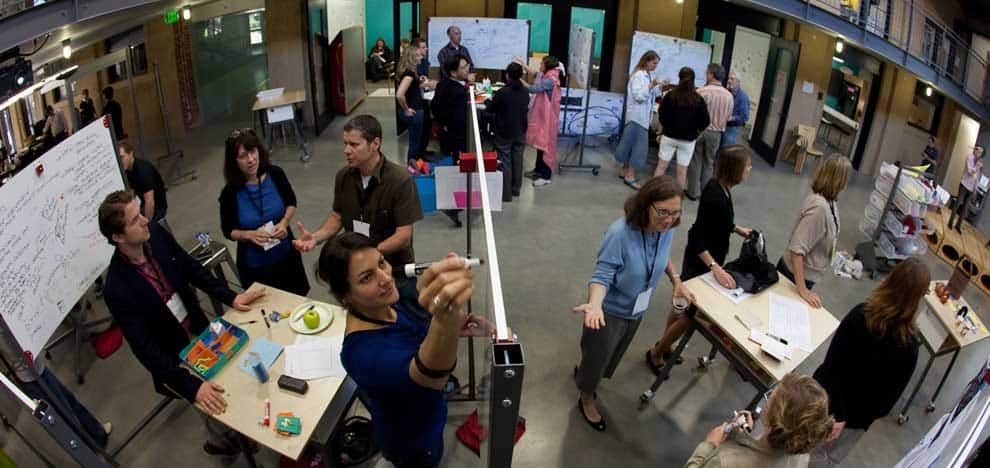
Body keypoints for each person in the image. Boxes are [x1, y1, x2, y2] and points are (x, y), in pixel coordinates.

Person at [99, 190, 265, 456]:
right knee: (210, 399)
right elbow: (145, 350)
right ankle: (222, 440)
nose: (144, 220)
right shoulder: (118, 289)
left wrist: (232, 297)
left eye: (140, 212)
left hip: (198, 327)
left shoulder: (157, 235)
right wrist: (191, 386)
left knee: (230, 374)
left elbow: (192, 268)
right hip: (174, 351)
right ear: (117, 237)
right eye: (134, 220)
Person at [317, 233, 492, 467]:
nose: (385, 278)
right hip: (413, 442)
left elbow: (418, 337)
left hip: (430, 414)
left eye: (381, 263)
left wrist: (455, 327)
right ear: (345, 296)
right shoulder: (360, 354)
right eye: (367, 277)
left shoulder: (385, 303)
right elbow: (429, 376)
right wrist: (446, 321)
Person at [572, 176, 695, 432]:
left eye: (675, 213)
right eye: (662, 212)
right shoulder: (620, 234)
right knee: (598, 357)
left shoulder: (666, 229)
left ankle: (587, 373)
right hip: (609, 312)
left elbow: (662, 256)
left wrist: (676, 281)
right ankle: (586, 396)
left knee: (609, 355)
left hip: (637, 308)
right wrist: (595, 305)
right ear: (645, 205)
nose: (669, 219)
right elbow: (602, 275)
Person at [292, 115, 425, 303]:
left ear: (375, 143)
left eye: (354, 145)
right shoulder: (343, 177)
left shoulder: (400, 180)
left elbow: (403, 236)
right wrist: (316, 237)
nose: (346, 150)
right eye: (345, 144)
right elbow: (338, 216)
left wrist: (370, 257)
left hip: (394, 272)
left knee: (404, 319)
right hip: (358, 275)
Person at [810, 258, 928, 467]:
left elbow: (833, 364)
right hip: (852, 423)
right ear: (918, 298)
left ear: (890, 280)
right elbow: (885, 403)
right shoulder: (909, 347)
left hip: (821, 400)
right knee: (824, 460)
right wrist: (847, 419)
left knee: (794, 447)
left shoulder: (860, 315)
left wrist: (837, 411)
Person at [648, 146, 753, 372]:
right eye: (747, 166)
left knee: (682, 306)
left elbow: (716, 222)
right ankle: (657, 351)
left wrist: (735, 228)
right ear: (735, 169)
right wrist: (714, 267)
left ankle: (665, 346)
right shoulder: (715, 194)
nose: (750, 170)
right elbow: (697, 236)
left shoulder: (722, 188)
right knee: (689, 315)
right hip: (701, 262)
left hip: (706, 260)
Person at [219, 128, 309, 296]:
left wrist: (284, 222)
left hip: (287, 258)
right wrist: (248, 235)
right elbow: (227, 230)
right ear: (234, 161)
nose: (251, 159)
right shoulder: (229, 193)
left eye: (252, 152)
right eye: (243, 156)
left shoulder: (275, 174)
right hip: (256, 268)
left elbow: (291, 201)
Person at [686, 373, 834, 467]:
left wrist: (709, 445)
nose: (767, 399)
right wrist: (742, 437)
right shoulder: (800, 459)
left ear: (771, 420)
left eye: (770, 397)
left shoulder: (724, 462)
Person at [0, 327, 111, 449]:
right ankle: (89, 448)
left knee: (70, 401)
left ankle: (98, 432)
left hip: (38, 367)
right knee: (66, 416)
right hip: (30, 377)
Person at [778, 154, 852, 308]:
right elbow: (797, 250)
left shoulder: (830, 202)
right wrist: (803, 290)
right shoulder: (819, 208)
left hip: (806, 275)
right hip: (794, 276)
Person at [653, 67, 711, 192]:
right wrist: (697, 133)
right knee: (682, 171)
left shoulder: (670, 96)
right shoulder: (698, 99)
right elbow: (705, 121)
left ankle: (652, 193)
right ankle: (678, 199)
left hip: (669, 136)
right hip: (688, 140)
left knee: (661, 166)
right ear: (694, 80)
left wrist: (663, 130)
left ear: (679, 78)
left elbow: (661, 114)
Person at [614, 50, 665, 190]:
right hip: (638, 118)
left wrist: (659, 86)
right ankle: (630, 176)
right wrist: (651, 85)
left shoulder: (647, 75)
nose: (655, 66)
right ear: (647, 61)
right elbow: (639, 96)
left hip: (639, 118)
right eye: (654, 63)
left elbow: (651, 94)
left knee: (630, 144)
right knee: (639, 149)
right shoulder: (638, 75)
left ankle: (624, 171)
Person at [686, 63, 733, 200]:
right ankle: (706, 193)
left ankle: (692, 192)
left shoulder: (702, 92)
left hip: (700, 131)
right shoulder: (729, 96)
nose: (706, 75)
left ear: (711, 74)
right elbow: (728, 117)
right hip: (717, 134)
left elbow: (692, 112)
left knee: (695, 160)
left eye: (707, 73)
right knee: (709, 162)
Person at [487, 62, 530, 202]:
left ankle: (505, 194)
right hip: (520, 130)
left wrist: (489, 102)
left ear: (507, 76)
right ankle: (516, 189)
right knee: (517, 159)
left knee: (505, 160)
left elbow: (491, 109)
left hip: (504, 131)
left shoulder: (503, 92)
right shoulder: (525, 91)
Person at [523, 55, 564, 188]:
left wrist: (519, 80)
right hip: (544, 118)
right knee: (540, 144)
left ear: (548, 66)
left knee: (546, 146)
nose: (540, 66)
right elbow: (536, 74)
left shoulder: (550, 80)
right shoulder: (548, 75)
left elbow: (533, 89)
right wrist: (523, 65)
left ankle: (546, 176)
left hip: (549, 120)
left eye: (542, 64)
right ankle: (538, 170)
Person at [119, 141, 168, 223]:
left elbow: (150, 201)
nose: (120, 161)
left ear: (131, 153)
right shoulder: (127, 170)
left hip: (158, 206)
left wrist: (147, 223)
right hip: (145, 203)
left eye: (122, 157)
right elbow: (131, 193)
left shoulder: (143, 170)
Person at [432, 56, 470, 160]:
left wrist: (443, 123)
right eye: (463, 67)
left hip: (444, 131)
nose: (467, 69)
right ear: (453, 72)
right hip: (458, 135)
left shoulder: (441, 84)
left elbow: (434, 106)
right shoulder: (459, 91)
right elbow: (460, 117)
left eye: (467, 65)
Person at [396, 43, 428, 166]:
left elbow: (410, 88)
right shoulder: (409, 74)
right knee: (415, 143)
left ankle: (413, 165)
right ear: (412, 57)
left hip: (415, 110)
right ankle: (412, 167)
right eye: (419, 55)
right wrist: (407, 109)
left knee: (415, 141)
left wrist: (419, 81)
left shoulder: (410, 72)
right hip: (414, 111)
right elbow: (399, 94)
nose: (421, 57)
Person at [948, 145, 985, 232]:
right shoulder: (969, 157)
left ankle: (958, 225)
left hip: (971, 188)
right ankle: (950, 221)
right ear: (975, 150)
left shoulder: (979, 162)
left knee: (965, 208)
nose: (979, 154)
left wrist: (975, 189)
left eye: (981, 153)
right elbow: (969, 171)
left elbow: (977, 177)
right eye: (979, 151)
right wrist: (977, 167)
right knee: (958, 203)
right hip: (964, 185)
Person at [722, 71, 750, 146]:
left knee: (726, 151)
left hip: (731, 129)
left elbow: (745, 117)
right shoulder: (726, 92)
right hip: (721, 126)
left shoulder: (743, 97)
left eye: (732, 79)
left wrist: (732, 118)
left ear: (738, 82)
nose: (729, 81)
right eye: (728, 78)